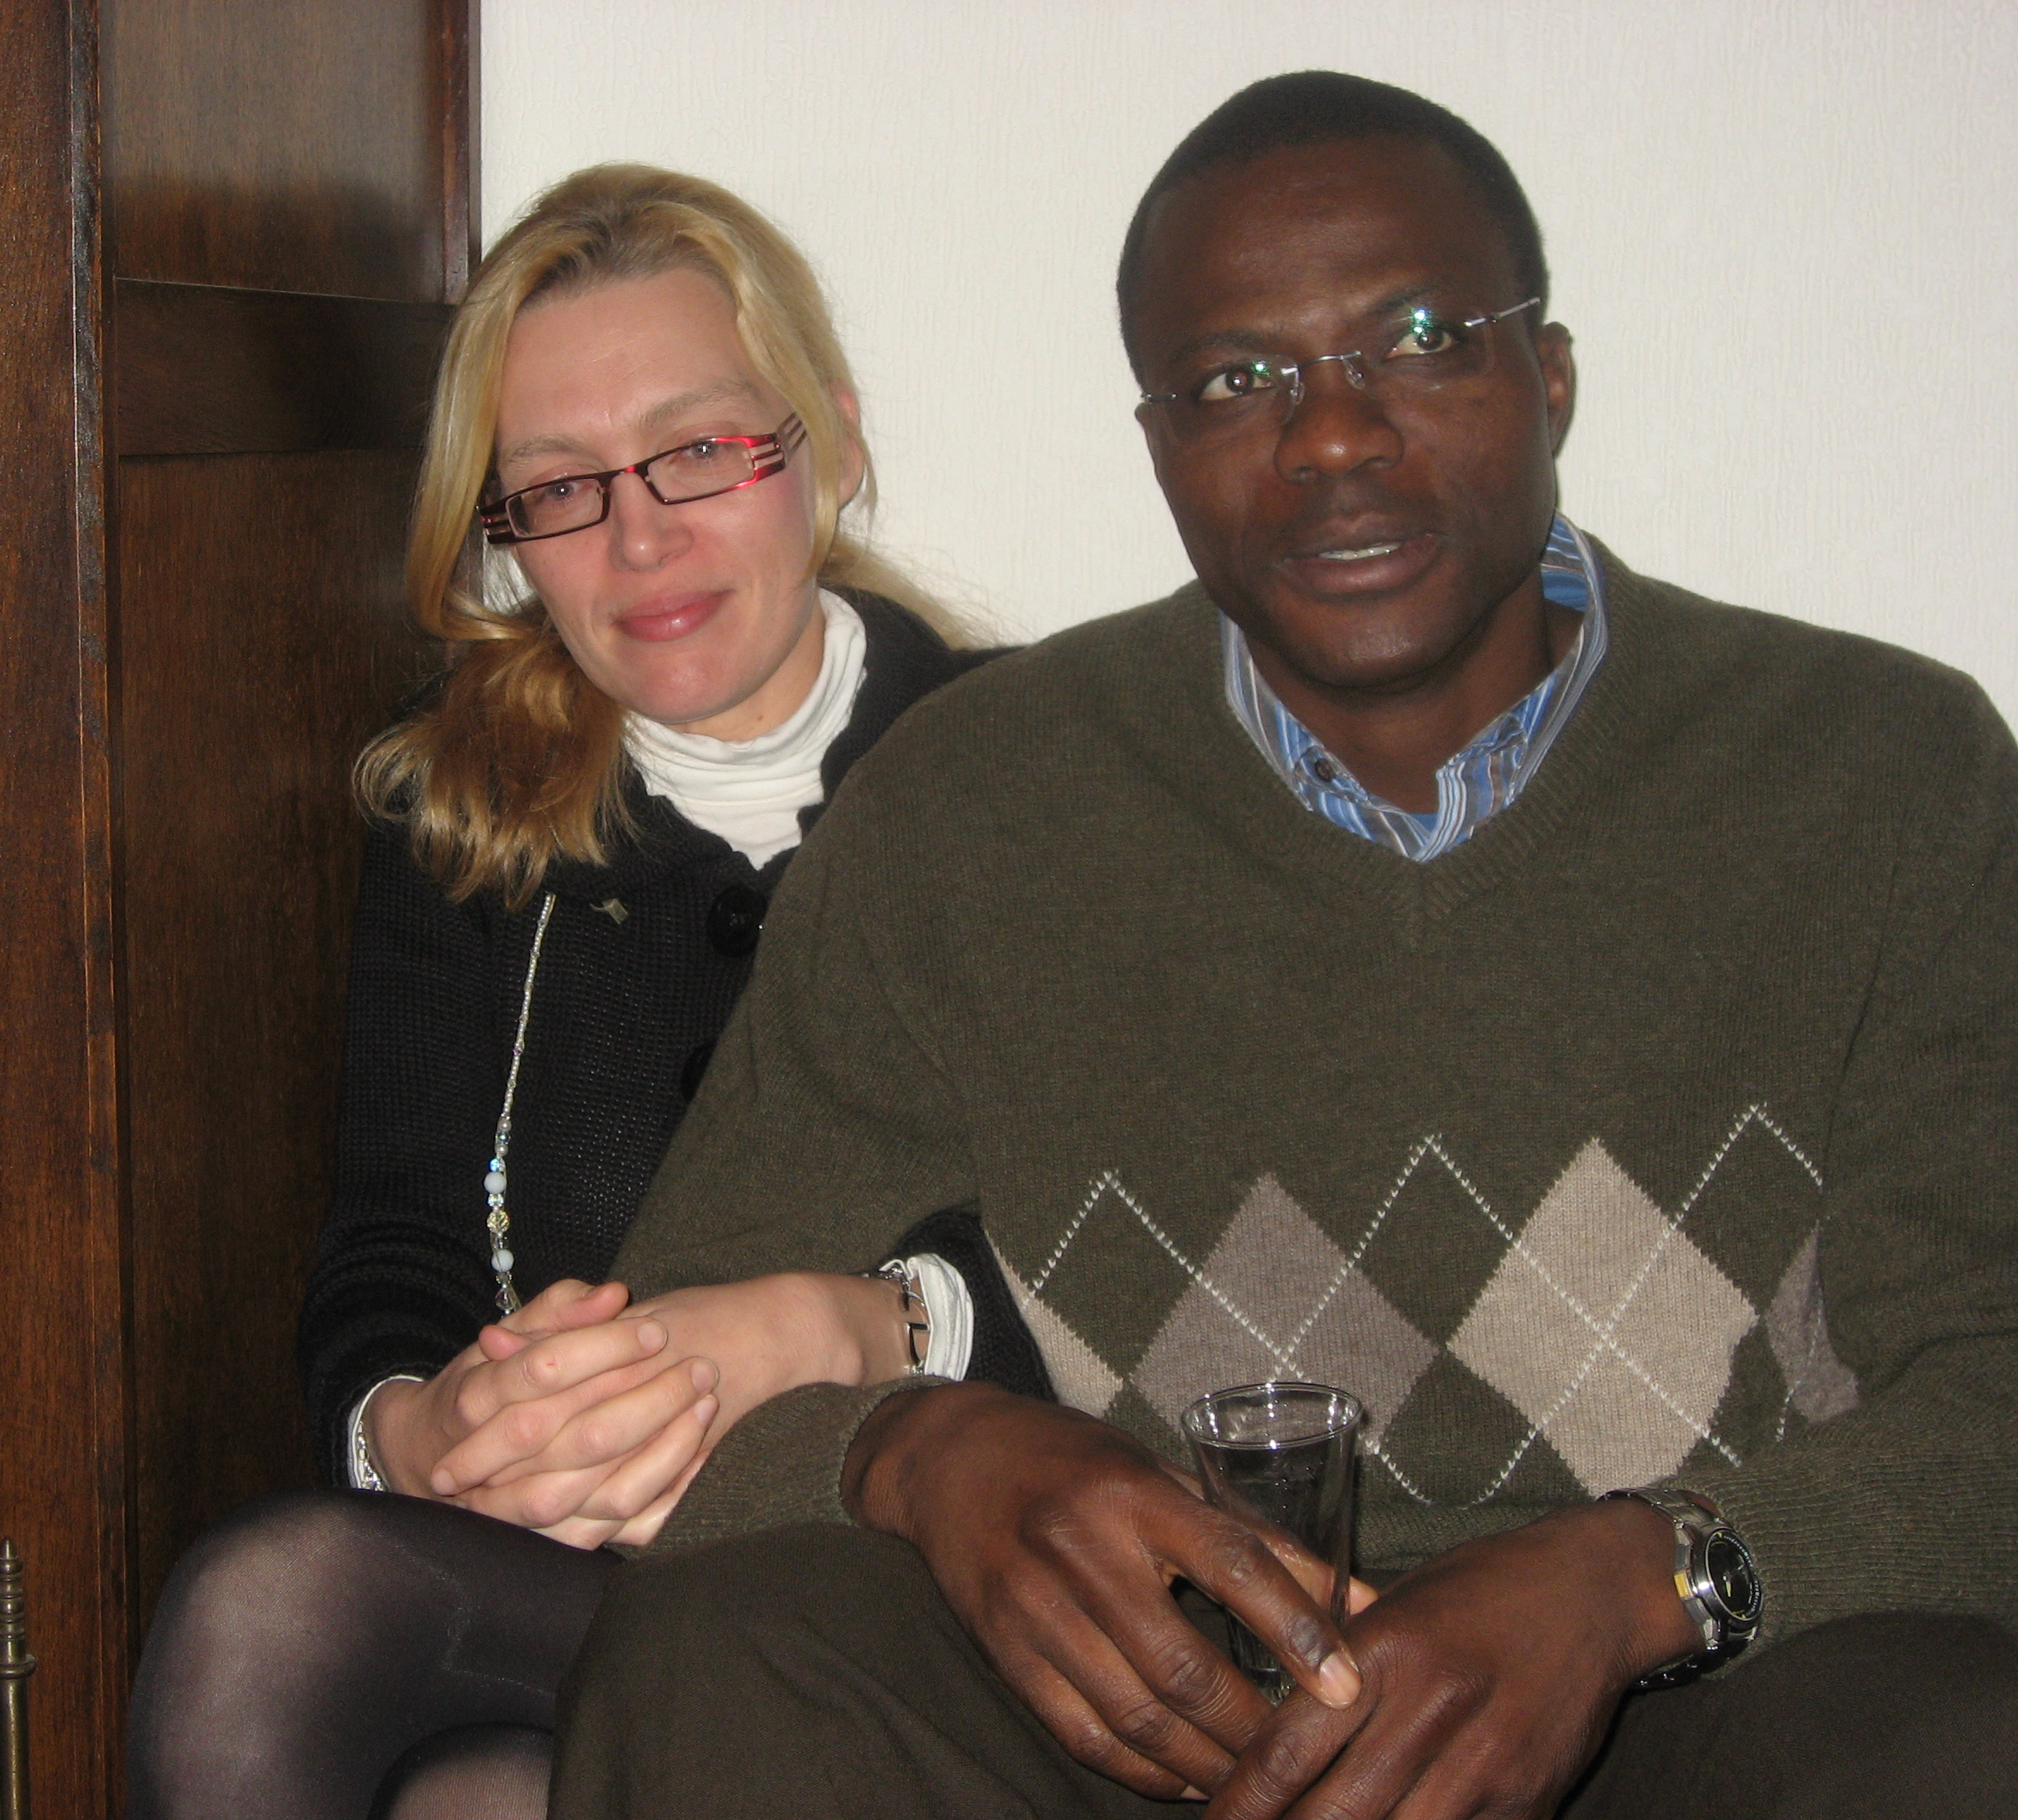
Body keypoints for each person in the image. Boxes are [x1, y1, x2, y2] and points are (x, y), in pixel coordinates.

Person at [546, 73, 2018, 1820]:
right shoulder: (967, 811)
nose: (1331, 437)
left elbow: (1994, 1379)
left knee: (1957, 1734)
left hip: (1692, 1712)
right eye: (1236, 382)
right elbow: (671, 1376)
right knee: (719, 1653)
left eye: (1418, 341)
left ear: (1549, 375)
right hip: (1166, 1724)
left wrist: (1644, 1575)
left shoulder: (1880, 771)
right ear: (1158, 447)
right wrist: (920, 1450)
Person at [125, 165, 1046, 1820]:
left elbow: (1141, 1242)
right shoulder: (459, 815)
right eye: (557, 486)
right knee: (325, 1660)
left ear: (829, 446)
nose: (639, 537)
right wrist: (424, 1427)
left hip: (940, 1579)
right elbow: (394, 1244)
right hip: (581, 1580)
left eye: (701, 449)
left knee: (458, 1772)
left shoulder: (1029, 772)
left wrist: (840, 1325)